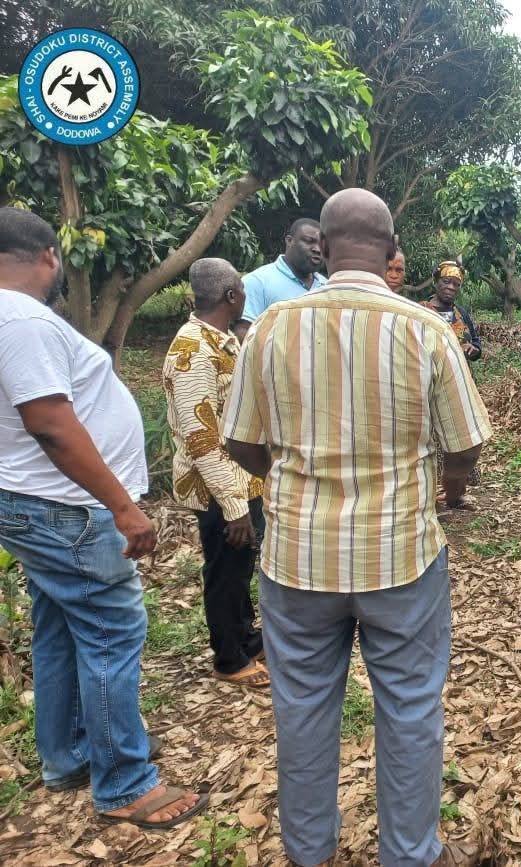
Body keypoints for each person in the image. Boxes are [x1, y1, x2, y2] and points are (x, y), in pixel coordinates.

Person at [222, 189, 490, 867]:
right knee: (409, 708)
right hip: (400, 554)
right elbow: (465, 448)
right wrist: (446, 487)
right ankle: (409, 852)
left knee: (303, 710)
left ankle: (310, 850)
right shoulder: (427, 330)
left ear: (325, 244)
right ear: (392, 247)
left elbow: (243, 443)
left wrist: (288, 468)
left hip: (296, 558)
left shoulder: (273, 326)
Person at [0, 208, 205, 828]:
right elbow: (50, 423)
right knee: (111, 634)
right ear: (48, 257)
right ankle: (124, 782)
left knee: (59, 628)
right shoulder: (23, 321)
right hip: (68, 509)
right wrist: (121, 505)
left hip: (36, 504)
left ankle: (69, 755)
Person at [162, 258, 268, 689]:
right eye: (241, 289)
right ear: (230, 296)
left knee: (241, 565)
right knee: (225, 570)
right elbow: (200, 438)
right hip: (217, 489)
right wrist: (234, 506)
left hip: (241, 481)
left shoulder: (221, 341)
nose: (244, 295)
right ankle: (228, 658)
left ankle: (245, 636)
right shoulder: (192, 352)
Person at [234, 218, 326, 342]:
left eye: (322, 245)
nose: (317, 249)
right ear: (289, 241)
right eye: (309, 241)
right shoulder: (257, 281)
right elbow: (243, 333)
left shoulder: (327, 285)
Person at [423, 260, 481, 362]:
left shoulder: (461, 314)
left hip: (459, 376)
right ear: (436, 282)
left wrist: (473, 350)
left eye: (456, 284)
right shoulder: (421, 310)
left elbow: (475, 341)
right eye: (446, 281)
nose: (451, 287)